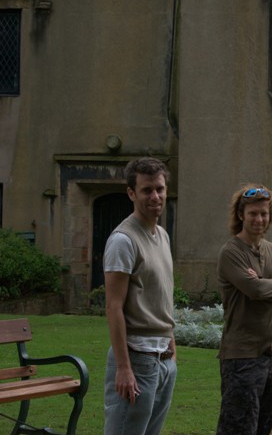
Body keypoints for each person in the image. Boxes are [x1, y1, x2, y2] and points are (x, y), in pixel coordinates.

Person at [103, 157, 177, 435]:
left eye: (160, 188)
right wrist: (123, 367)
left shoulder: (162, 235)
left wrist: (170, 340)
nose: (155, 196)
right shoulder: (123, 241)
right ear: (131, 193)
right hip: (136, 359)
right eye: (147, 190)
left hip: (163, 359)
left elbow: (160, 295)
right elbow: (113, 306)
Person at [216, 185, 272, 435]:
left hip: (271, 354)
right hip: (241, 356)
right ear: (241, 214)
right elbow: (256, 291)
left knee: (263, 426)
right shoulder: (231, 252)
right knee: (238, 428)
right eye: (253, 213)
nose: (259, 219)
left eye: (264, 214)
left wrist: (269, 282)